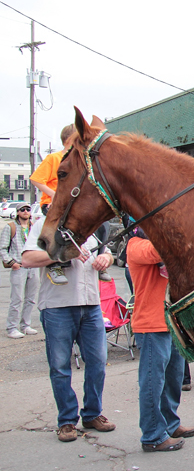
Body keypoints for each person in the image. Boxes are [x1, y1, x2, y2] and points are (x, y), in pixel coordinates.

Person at [21, 217, 116, 442]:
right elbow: (27, 258)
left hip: (91, 304)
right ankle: (66, 420)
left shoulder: (90, 221)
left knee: (98, 362)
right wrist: (63, 254)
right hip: (58, 306)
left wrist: (105, 258)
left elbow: (108, 252)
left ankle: (92, 414)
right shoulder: (46, 224)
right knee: (60, 367)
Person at [127, 228, 194, 452]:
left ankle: (170, 424)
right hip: (150, 324)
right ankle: (153, 435)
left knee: (173, 379)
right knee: (152, 383)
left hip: (171, 322)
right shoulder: (136, 245)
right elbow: (162, 250)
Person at [30, 125, 74, 285]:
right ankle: (55, 265)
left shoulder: (76, 161)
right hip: (52, 204)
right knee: (60, 229)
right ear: (70, 140)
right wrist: (54, 195)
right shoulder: (53, 158)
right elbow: (35, 179)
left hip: (69, 205)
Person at [1, 202, 40, 339]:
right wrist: (12, 263)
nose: (25, 211)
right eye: (22, 209)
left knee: (30, 299)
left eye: (28, 209)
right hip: (19, 267)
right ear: (17, 212)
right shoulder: (10, 227)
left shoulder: (33, 227)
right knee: (16, 299)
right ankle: (12, 327)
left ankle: (25, 325)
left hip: (33, 267)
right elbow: (3, 248)